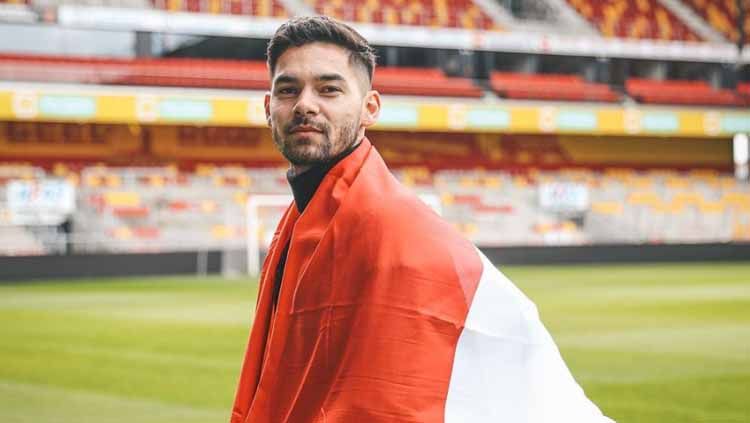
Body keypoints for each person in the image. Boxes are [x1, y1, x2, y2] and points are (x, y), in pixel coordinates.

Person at [230, 16, 613, 423]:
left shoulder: (395, 233)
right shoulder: (300, 221)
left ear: (369, 108)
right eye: (288, 90)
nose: (306, 104)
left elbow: (396, 401)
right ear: (269, 108)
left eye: (329, 89)